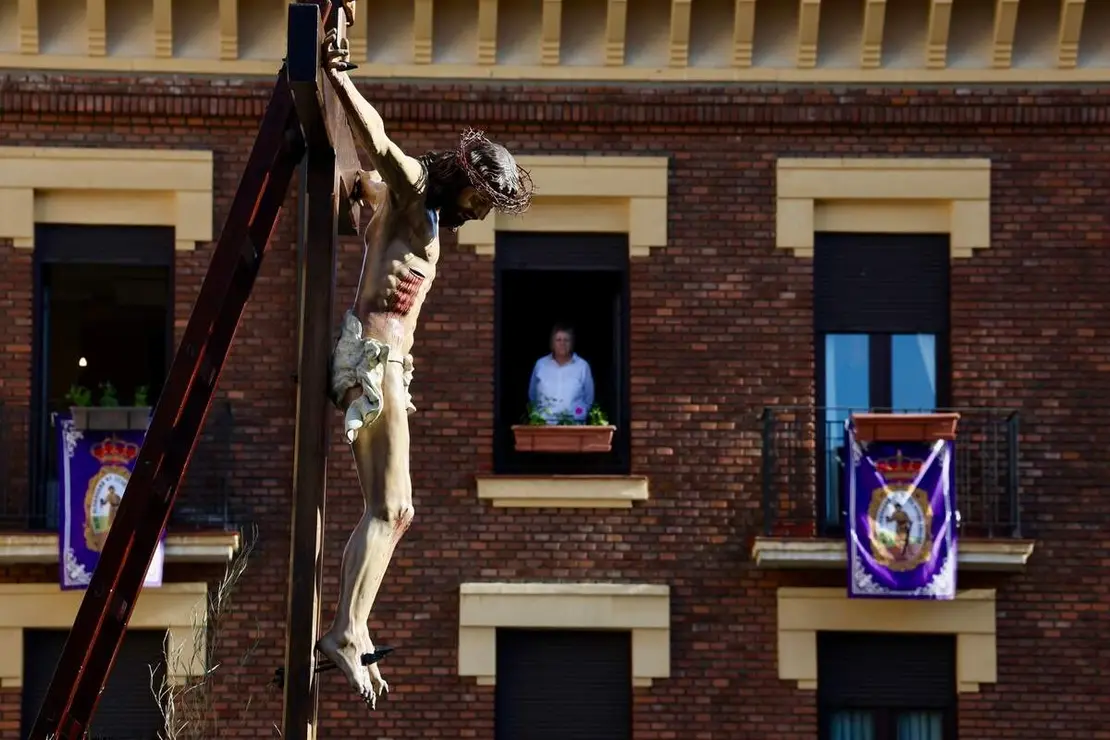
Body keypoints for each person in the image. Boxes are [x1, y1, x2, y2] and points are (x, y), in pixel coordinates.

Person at [319, 28, 533, 709]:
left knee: (394, 511)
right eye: (480, 199)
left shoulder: (417, 217)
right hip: (374, 357)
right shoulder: (414, 192)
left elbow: (366, 207)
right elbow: (378, 142)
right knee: (394, 507)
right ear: (461, 180)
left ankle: (351, 626)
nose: (480, 213)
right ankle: (347, 630)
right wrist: (338, 78)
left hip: (387, 364)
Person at [528, 324, 595, 423]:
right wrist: (540, 416)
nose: (562, 343)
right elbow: (532, 395)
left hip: (574, 425)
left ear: (571, 343)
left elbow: (588, 399)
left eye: (566, 340)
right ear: (552, 343)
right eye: (558, 340)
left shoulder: (582, 366)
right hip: (544, 426)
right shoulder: (541, 365)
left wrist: (577, 414)